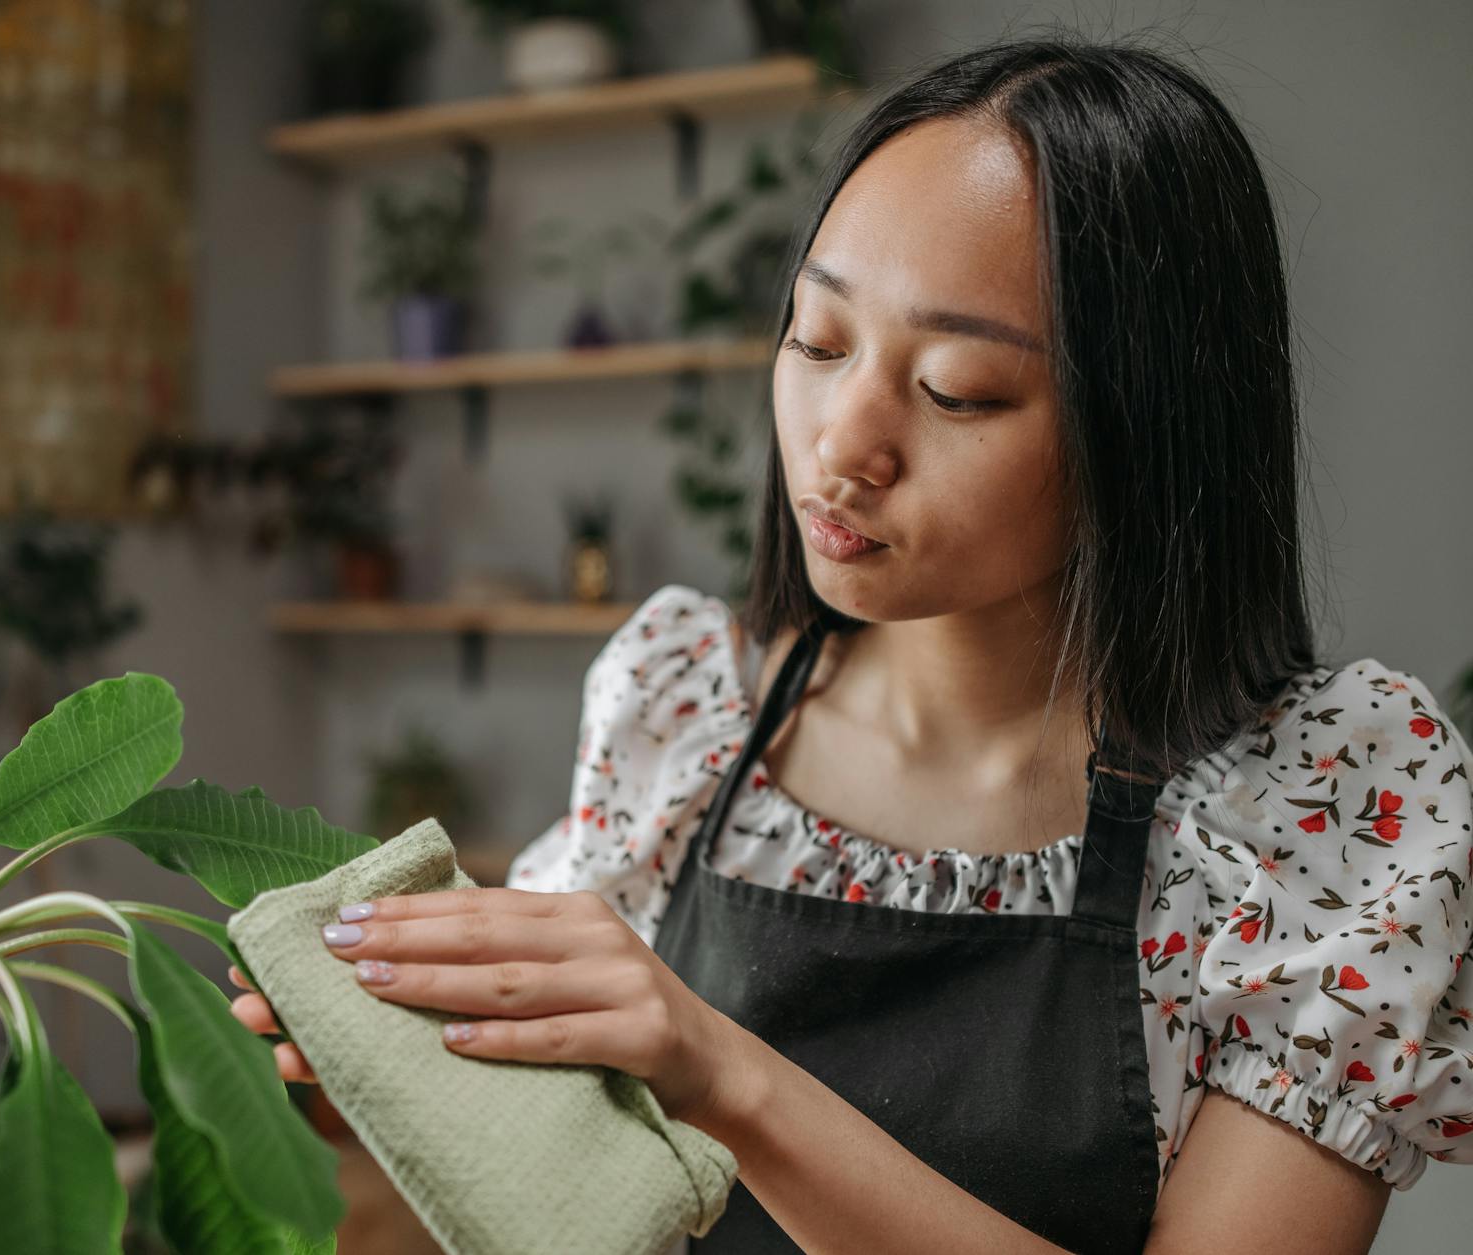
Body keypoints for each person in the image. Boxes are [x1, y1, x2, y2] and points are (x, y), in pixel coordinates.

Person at [228, 32, 1473, 1252]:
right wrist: (413, 1097)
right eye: (815, 343)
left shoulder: (1322, 806)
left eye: (954, 391)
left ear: (1148, 430)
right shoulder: (685, 710)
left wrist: (725, 1072)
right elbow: (588, 1182)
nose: (841, 443)